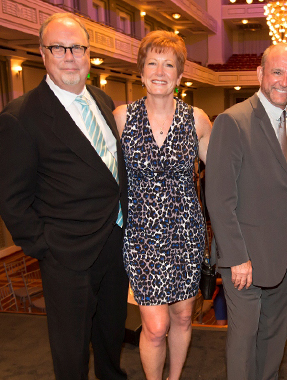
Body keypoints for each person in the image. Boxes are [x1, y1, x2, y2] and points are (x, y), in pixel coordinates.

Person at [0, 13, 128, 380]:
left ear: (89, 54)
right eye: (59, 47)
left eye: (78, 48)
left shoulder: (103, 100)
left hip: (114, 245)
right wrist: (46, 247)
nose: (70, 56)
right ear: (43, 53)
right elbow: (12, 199)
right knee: (71, 352)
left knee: (110, 335)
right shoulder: (21, 117)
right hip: (67, 255)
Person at [113, 30, 211, 380]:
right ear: (140, 71)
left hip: (186, 233)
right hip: (142, 237)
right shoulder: (122, 117)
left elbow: (225, 174)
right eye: (152, 63)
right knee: (155, 326)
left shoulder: (196, 119)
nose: (159, 71)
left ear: (180, 75)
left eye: (168, 64)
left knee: (183, 316)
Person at [205, 43, 287, 380]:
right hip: (244, 260)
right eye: (277, 72)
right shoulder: (233, 121)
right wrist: (235, 256)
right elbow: (219, 197)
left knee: (274, 341)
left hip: (284, 257)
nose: (284, 81)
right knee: (244, 344)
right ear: (260, 74)